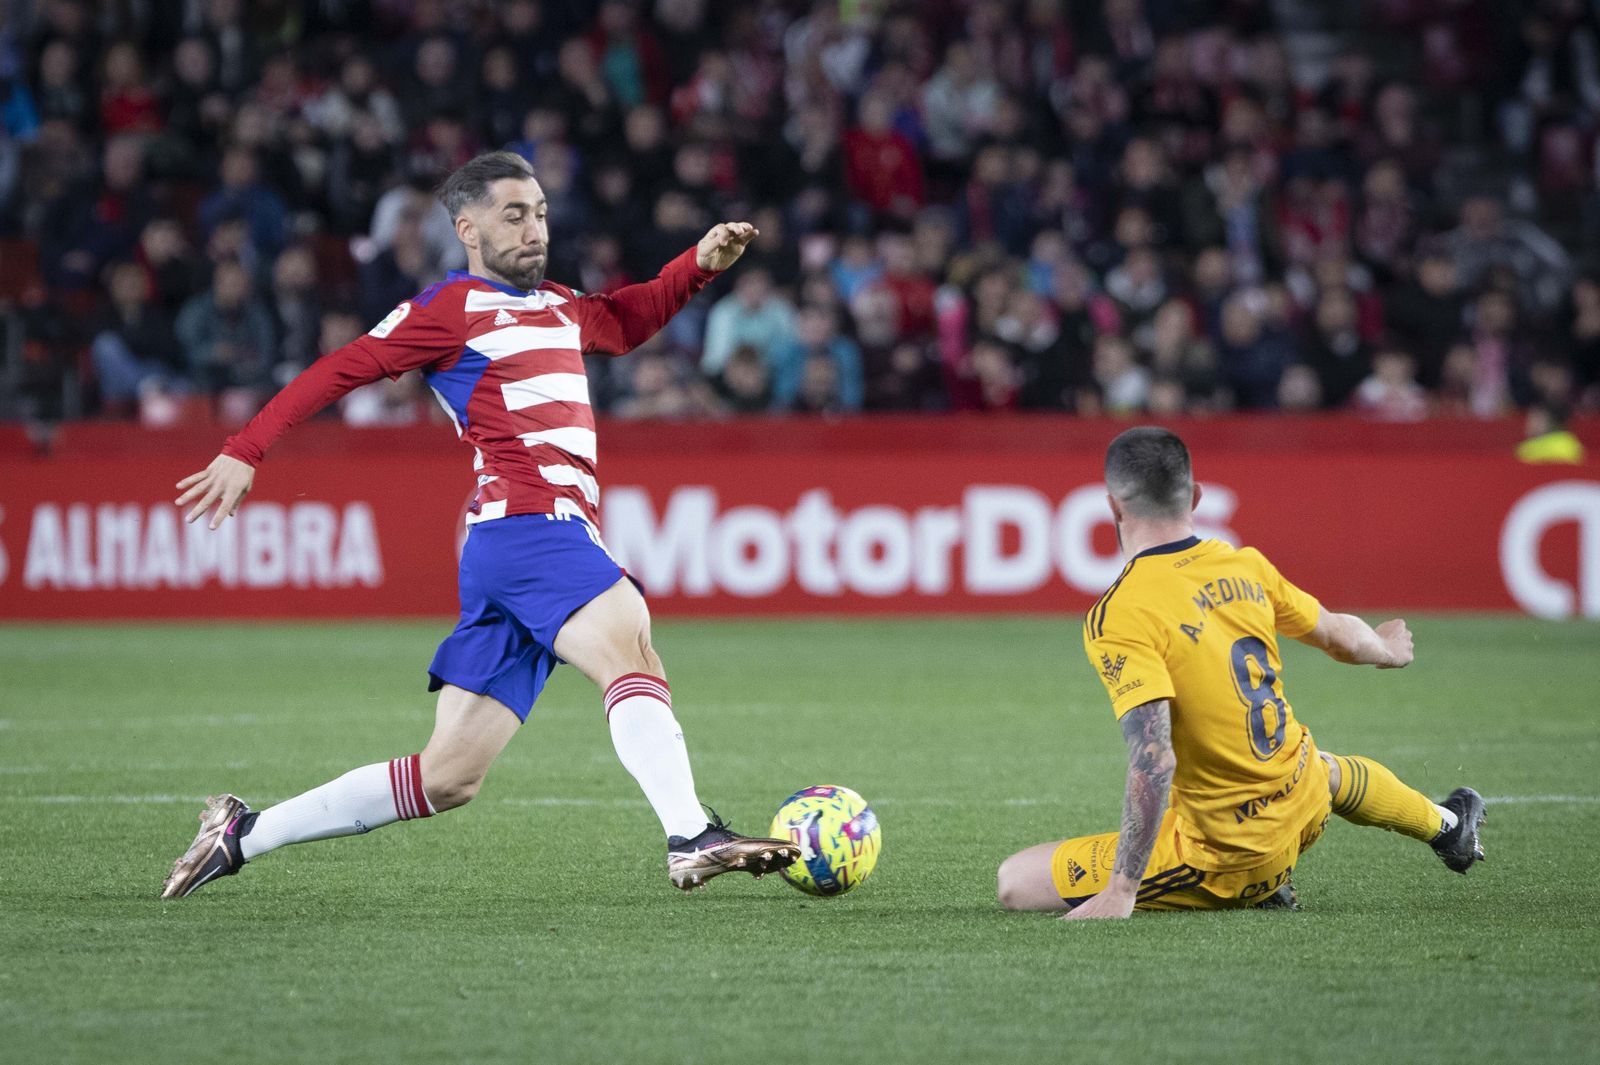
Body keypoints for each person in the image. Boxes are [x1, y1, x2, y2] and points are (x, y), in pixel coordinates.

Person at [161, 151, 799, 899]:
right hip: (530, 525)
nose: (534, 230)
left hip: (514, 545)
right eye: (514, 215)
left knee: (447, 777)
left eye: (541, 214)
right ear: (467, 229)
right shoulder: (447, 310)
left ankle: (242, 833)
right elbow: (338, 369)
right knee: (630, 644)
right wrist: (245, 449)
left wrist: (697, 266)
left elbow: (625, 322)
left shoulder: (557, 304)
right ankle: (690, 834)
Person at [996, 427, 1486, 917]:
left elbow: (1154, 757)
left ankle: (1255, 886)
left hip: (1229, 855)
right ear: (1195, 497)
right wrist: (1388, 650)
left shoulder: (1121, 613)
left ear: (1113, 508)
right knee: (1319, 765)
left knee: (1015, 881)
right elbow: (1340, 635)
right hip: (1305, 801)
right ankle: (1447, 825)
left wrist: (1121, 891)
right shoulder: (1245, 566)